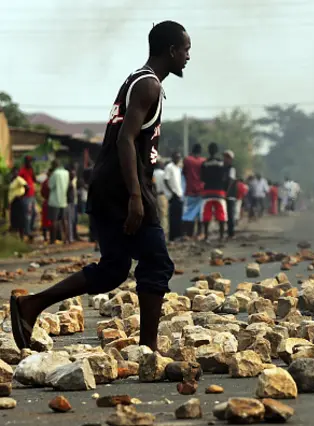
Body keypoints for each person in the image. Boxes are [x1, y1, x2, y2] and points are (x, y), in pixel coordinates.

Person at [10, 21, 190, 352]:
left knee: (113, 269)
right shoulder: (147, 85)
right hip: (123, 188)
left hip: (108, 186)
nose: (188, 57)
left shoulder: (138, 81)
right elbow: (125, 140)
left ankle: (30, 306)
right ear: (171, 50)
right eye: (186, 50)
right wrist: (137, 196)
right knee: (157, 261)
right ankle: (148, 350)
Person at [200, 143, 229, 241]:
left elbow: (202, 178)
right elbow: (225, 177)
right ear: (216, 151)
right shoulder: (221, 163)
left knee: (206, 214)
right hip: (219, 191)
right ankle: (221, 236)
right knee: (221, 214)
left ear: (208, 151)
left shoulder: (204, 163)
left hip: (207, 191)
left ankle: (206, 236)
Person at [182, 143, 205, 238]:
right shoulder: (203, 161)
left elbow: (183, 172)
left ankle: (188, 234)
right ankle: (200, 233)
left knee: (189, 213)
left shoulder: (187, 160)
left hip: (190, 191)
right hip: (201, 191)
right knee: (200, 213)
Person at [48, 160, 70, 244]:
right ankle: (66, 239)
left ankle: (53, 240)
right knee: (64, 220)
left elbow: (50, 186)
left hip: (54, 200)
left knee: (54, 221)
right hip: (63, 200)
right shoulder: (66, 173)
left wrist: (49, 176)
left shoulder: (55, 174)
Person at [164, 152, 184, 241]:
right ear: (172, 158)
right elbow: (166, 180)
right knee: (173, 217)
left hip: (179, 194)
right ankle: (172, 237)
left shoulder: (177, 168)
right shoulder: (169, 167)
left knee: (178, 216)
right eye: (176, 157)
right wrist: (172, 192)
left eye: (179, 158)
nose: (178, 159)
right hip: (173, 195)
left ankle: (178, 235)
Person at [18, 156, 36, 239]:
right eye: (29, 162)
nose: (31, 163)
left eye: (31, 162)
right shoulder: (22, 171)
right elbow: (19, 181)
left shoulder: (31, 170)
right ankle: (27, 231)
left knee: (34, 213)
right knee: (28, 214)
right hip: (26, 196)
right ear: (26, 162)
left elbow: (34, 179)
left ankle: (30, 229)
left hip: (32, 195)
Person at [8, 167, 28, 239]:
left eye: (16, 172)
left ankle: (21, 237)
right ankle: (15, 239)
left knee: (20, 220)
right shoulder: (12, 180)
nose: (14, 173)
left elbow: (27, 187)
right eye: (13, 172)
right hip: (13, 202)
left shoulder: (19, 179)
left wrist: (22, 195)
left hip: (18, 202)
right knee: (14, 220)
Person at [222, 150, 237, 239]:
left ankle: (231, 232)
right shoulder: (223, 168)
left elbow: (231, 181)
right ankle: (226, 232)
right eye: (225, 157)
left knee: (230, 214)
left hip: (230, 194)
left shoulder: (231, 169)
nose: (225, 159)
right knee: (224, 214)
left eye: (227, 157)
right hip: (223, 194)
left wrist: (226, 192)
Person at [153, 160, 169, 238]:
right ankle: (164, 232)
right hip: (162, 196)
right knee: (164, 215)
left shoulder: (153, 173)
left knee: (157, 214)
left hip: (154, 196)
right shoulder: (163, 173)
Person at [40, 168, 53, 242]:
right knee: (51, 221)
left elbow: (42, 192)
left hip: (46, 202)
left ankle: (45, 237)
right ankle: (51, 238)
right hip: (52, 202)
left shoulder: (45, 182)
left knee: (45, 221)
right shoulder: (52, 182)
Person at [67, 166, 79, 242]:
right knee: (70, 221)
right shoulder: (68, 183)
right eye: (72, 174)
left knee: (74, 220)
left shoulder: (75, 181)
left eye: (74, 174)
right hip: (70, 203)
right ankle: (71, 238)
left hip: (75, 203)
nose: (73, 175)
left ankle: (74, 235)